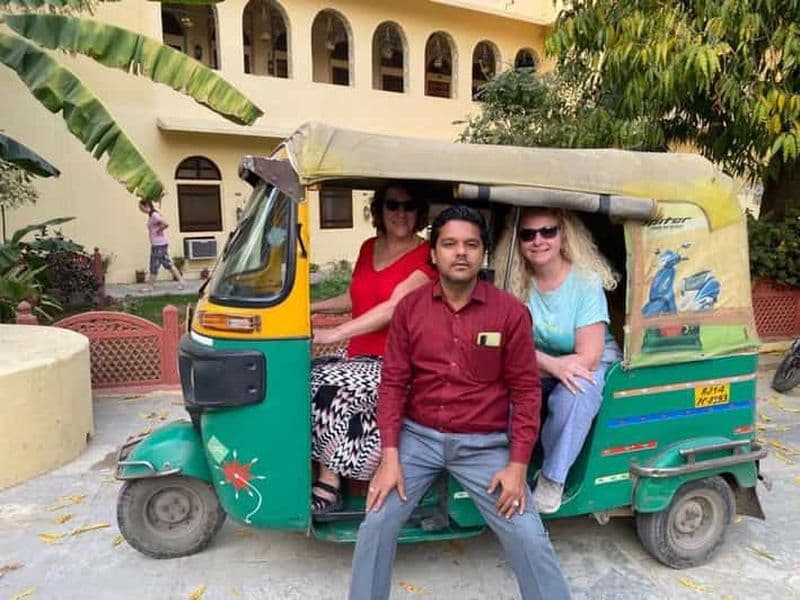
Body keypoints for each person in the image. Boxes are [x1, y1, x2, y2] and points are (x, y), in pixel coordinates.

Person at [348, 206, 571, 600]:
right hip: (418, 441)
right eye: (449, 244)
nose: (461, 253)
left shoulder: (510, 314)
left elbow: (525, 392)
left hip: (484, 447)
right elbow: (394, 384)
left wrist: (518, 467)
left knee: (528, 535)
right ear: (433, 252)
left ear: (483, 253)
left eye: (471, 244)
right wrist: (390, 457)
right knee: (376, 522)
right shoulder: (410, 310)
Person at [309, 182, 436, 514]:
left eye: (409, 206)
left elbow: (393, 307)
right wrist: (309, 306)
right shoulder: (368, 247)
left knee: (330, 386)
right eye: (393, 205)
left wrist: (332, 334)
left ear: (419, 212)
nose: (401, 213)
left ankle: (330, 481)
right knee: (303, 377)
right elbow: (357, 297)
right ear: (380, 210)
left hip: (397, 361)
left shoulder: (427, 255)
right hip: (359, 357)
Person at [516, 207, 621, 514]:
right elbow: (508, 348)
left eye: (548, 231)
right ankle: (512, 466)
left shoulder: (585, 282)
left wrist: (556, 366)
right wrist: (551, 365)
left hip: (586, 360)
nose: (538, 240)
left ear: (563, 236)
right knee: (503, 391)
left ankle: (553, 477)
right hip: (539, 363)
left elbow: (588, 355)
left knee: (575, 395)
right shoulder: (514, 281)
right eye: (528, 234)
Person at [137, 200, 185, 291]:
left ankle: (150, 286)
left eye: (141, 208)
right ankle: (181, 281)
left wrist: (159, 230)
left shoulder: (154, 215)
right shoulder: (152, 215)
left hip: (158, 245)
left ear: (146, 205)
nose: (141, 210)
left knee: (154, 265)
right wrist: (159, 229)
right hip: (160, 244)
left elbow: (166, 224)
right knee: (168, 264)